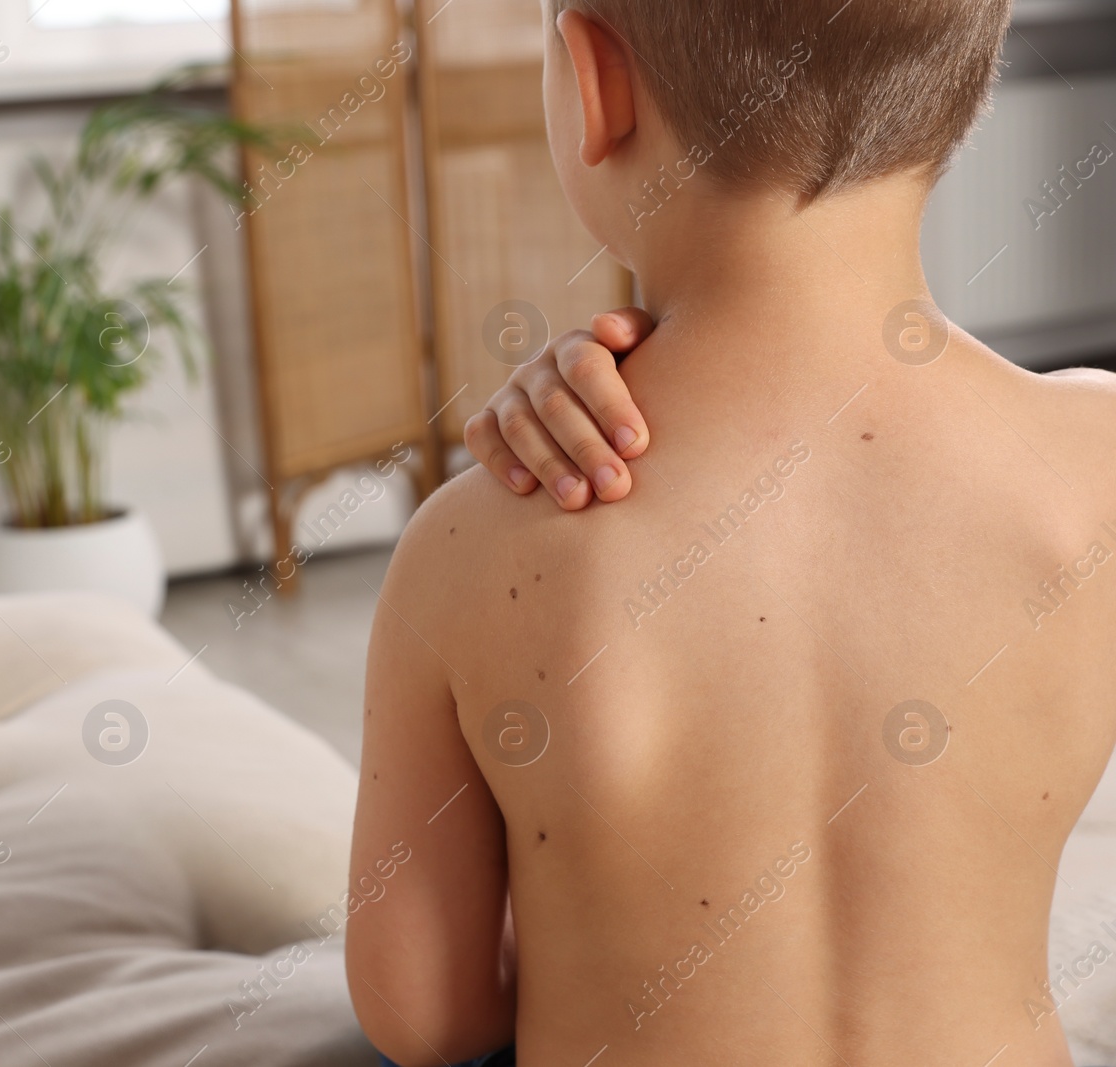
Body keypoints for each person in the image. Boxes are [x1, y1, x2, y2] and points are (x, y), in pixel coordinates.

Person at [348, 2, 1116, 1066]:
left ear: (594, 83)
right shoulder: (1095, 462)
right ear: (966, 89)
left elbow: (425, 1014)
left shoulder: (474, 544)